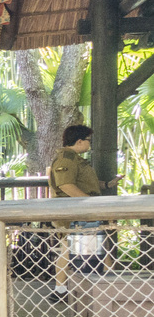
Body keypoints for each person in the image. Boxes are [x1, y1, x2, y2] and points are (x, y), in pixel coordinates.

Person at [46, 125, 122, 302]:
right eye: (89, 140)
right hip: (75, 213)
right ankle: (61, 290)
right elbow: (66, 186)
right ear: (79, 141)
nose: (90, 144)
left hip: (82, 212)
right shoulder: (66, 159)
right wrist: (90, 203)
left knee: (95, 246)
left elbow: (83, 181)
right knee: (70, 249)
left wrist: (107, 184)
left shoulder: (75, 159)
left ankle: (67, 289)